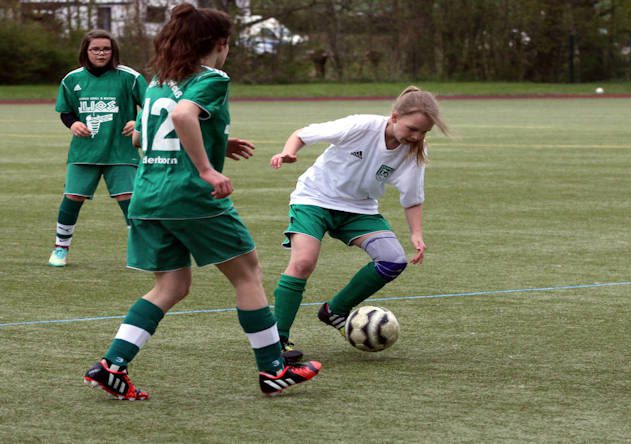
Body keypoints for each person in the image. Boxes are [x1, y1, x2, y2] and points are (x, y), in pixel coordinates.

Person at [83, 3, 320, 400]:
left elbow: (142, 136)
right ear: (219, 44)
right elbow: (182, 117)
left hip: (149, 195)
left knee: (171, 285)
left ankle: (112, 365)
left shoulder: (157, 81)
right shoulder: (212, 78)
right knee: (248, 274)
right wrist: (208, 168)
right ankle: (273, 369)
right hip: (191, 196)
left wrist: (216, 142)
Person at [269, 86, 451, 358]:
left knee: (393, 260)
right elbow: (303, 134)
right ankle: (277, 341)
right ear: (394, 117)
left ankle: (335, 310)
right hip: (314, 199)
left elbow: (412, 196)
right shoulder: (361, 125)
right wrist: (289, 152)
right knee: (303, 262)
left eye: (424, 132)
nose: (416, 137)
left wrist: (416, 233)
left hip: (359, 209)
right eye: (413, 129)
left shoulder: (414, 150)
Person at [49, 29, 148, 267]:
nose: (101, 53)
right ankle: (60, 248)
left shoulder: (130, 77)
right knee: (72, 197)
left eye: (106, 49)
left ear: (113, 51)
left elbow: (151, 104)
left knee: (129, 199)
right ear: (86, 51)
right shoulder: (72, 79)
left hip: (120, 151)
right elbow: (66, 111)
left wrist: (139, 122)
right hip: (85, 151)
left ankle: (142, 251)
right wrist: (73, 124)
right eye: (95, 49)